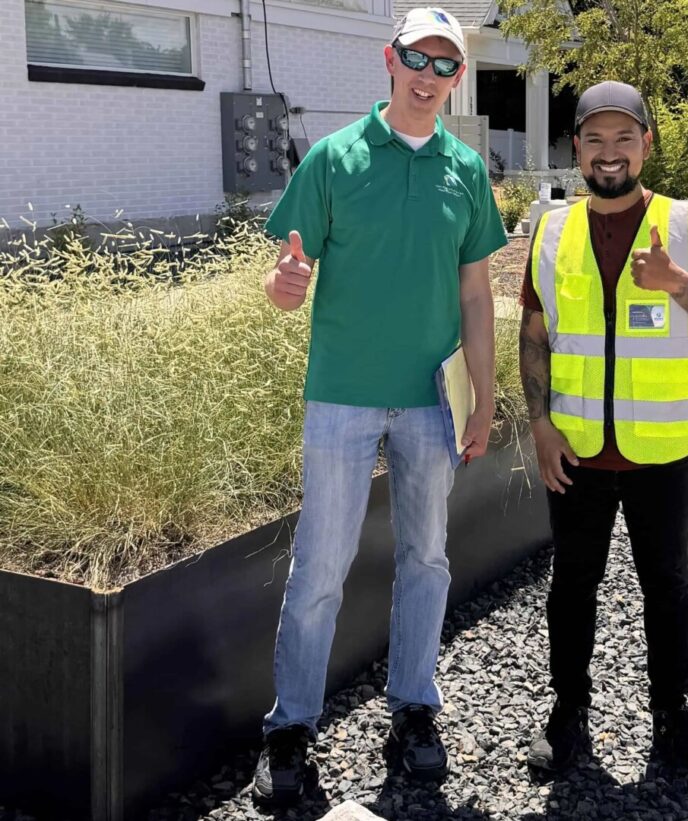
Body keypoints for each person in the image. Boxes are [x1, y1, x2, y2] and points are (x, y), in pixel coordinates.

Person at [251, 7, 507, 806]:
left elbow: (475, 292)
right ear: (387, 62)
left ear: (458, 79)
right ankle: (291, 727)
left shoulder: (465, 171)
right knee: (320, 565)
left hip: (432, 402)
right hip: (341, 396)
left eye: (446, 67)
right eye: (416, 61)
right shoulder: (333, 159)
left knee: (426, 559)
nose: (429, 78)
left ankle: (414, 710)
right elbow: (285, 282)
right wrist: (282, 287)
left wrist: (487, 392)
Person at [519, 81, 688, 780]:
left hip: (662, 454)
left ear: (647, 143)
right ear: (576, 149)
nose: (609, 153)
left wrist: (679, 283)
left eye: (624, 138)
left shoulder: (685, 221)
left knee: (667, 586)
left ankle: (674, 717)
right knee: (572, 586)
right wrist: (539, 422)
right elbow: (534, 334)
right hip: (578, 453)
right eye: (594, 139)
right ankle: (567, 714)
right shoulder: (551, 231)